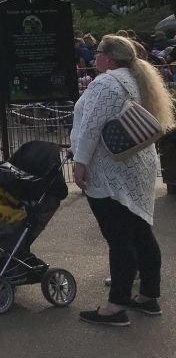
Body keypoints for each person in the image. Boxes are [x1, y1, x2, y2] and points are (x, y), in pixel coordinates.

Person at [72, 34, 174, 326]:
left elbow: (91, 127)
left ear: (110, 57)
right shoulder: (138, 78)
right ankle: (148, 296)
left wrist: (79, 163)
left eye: (98, 51)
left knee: (119, 238)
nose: (94, 56)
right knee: (140, 232)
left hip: (110, 171)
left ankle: (115, 306)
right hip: (138, 166)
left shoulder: (106, 82)